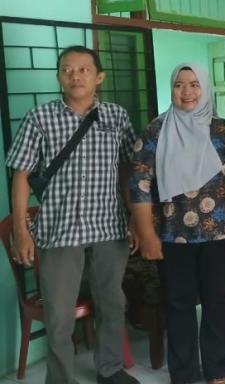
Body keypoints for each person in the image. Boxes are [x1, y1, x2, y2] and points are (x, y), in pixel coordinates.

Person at [6, 46, 139, 384]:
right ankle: (60, 378)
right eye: (67, 70)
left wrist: (135, 218)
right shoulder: (40, 118)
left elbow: (128, 169)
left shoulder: (116, 117)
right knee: (59, 315)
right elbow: (21, 175)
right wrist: (21, 231)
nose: (75, 76)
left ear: (99, 77)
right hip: (59, 230)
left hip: (109, 227)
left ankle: (110, 370)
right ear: (58, 77)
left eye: (83, 69)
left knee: (112, 304)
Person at [130, 64, 225, 384]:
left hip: (219, 235)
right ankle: (183, 373)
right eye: (179, 85)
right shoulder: (155, 132)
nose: (187, 91)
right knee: (178, 304)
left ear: (205, 88)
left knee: (218, 302)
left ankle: (218, 370)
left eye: (194, 84)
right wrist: (147, 234)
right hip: (172, 235)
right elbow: (139, 185)